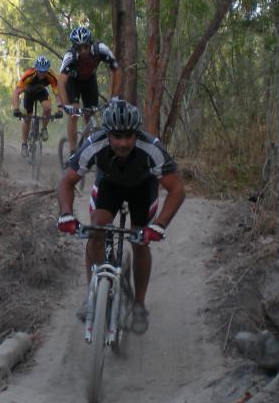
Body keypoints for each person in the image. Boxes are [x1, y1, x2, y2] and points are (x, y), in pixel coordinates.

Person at [57, 98, 185, 335]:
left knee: (140, 241)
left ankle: (138, 305)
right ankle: (92, 295)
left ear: (137, 134)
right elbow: (67, 181)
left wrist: (158, 226)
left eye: (129, 136)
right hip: (110, 185)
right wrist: (65, 215)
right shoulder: (94, 144)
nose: (123, 143)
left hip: (143, 189)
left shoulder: (152, 148)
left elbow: (177, 190)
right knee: (96, 229)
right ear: (108, 134)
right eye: (117, 136)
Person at [56, 25, 122, 157]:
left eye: (86, 46)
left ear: (90, 43)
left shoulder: (100, 49)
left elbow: (116, 70)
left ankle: (90, 145)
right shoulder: (70, 56)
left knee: (90, 114)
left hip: (89, 81)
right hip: (73, 82)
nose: (83, 51)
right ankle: (73, 151)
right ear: (74, 47)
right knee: (74, 113)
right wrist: (66, 105)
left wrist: (114, 96)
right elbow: (61, 82)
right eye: (79, 48)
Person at [12, 55, 62, 156]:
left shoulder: (51, 75)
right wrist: (16, 109)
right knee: (27, 119)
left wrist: (60, 109)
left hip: (41, 91)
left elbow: (57, 93)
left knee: (48, 108)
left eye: (44, 71)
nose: (42, 73)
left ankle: (44, 128)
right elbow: (16, 92)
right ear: (36, 68)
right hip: (29, 92)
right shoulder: (28, 74)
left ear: (47, 69)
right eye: (40, 71)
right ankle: (24, 144)